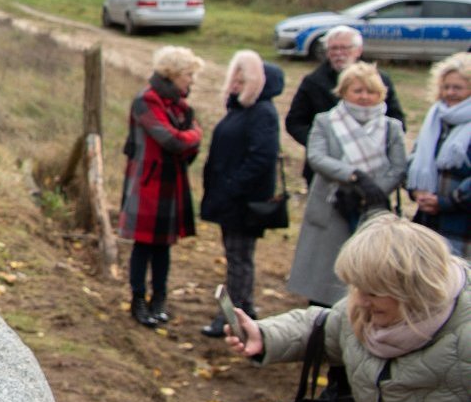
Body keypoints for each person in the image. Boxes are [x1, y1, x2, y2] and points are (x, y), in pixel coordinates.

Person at [227, 215, 471, 402]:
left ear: (414, 288)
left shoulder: (464, 331)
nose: (361, 301)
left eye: (372, 292)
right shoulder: (366, 313)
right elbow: (323, 325)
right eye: (356, 287)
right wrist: (265, 335)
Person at [289, 61, 408, 307]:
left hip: (372, 208)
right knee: (326, 278)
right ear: (343, 92)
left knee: (367, 274)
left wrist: (373, 191)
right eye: (358, 90)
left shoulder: (391, 127)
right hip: (332, 204)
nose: (364, 97)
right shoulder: (325, 121)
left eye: (371, 91)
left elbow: (398, 166)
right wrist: (354, 176)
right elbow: (317, 157)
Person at [198, 51, 286, 336]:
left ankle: (231, 319)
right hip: (231, 200)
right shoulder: (241, 109)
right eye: (233, 77)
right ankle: (244, 309)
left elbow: (262, 158)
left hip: (244, 203)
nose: (235, 83)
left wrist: (231, 186)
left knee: (239, 260)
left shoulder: (262, 113)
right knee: (237, 257)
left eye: (242, 78)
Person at [119, 45, 204, 326]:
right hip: (149, 183)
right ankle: (138, 300)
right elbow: (172, 141)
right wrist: (195, 134)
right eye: (189, 75)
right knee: (143, 247)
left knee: (164, 247)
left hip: (171, 183)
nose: (191, 81)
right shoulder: (147, 99)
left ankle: (159, 300)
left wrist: (188, 136)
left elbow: (185, 146)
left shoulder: (179, 105)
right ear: (174, 74)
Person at [287, 25, 405, 183]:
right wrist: (321, 143)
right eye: (333, 48)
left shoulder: (379, 80)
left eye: (344, 48)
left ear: (358, 50)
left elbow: (397, 119)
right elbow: (295, 122)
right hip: (326, 171)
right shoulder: (313, 81)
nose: (338, 53)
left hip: (373, 167)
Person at [408, 52, 471, 257]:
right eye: (446, 86)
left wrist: (447, 202)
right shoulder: (435, 118)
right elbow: (416, 157)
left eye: (458, 87)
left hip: (463, 220)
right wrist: (417, 191)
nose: (450, 92)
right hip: (429, 219)